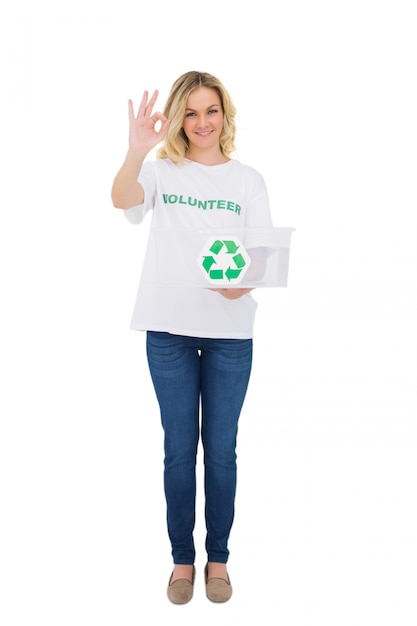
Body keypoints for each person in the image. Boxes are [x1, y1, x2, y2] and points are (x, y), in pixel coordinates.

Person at [111, 71, 274, 604]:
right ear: (178, 119)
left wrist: (238, 286)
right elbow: (122, 200)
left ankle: (218, 561)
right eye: (191, 112)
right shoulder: (162, 171)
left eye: (212, 110)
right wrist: (136, 150)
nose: (203, 122)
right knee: (179, 451)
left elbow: (261, 258)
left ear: (225, 115)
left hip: (230, 334)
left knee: (220, 451)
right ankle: (183, 561)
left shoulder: (248, 179)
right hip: (168, 332)